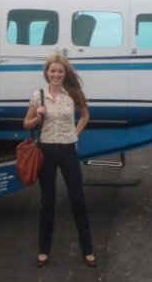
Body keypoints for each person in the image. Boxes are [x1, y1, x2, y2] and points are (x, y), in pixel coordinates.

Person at [23, 53, 97, 268]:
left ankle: (88, 250)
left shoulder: (73, 93)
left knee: (78, 200)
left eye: (60, 71)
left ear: (65, 74)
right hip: (46, 150)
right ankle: (44, 250)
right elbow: (26, 124)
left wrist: (75, 134)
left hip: (67, 151)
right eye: (52, 70)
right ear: (46, 73)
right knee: (47, 201)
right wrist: (37, 116)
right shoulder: (38, 96)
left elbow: (85, 116)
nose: (56, 74)